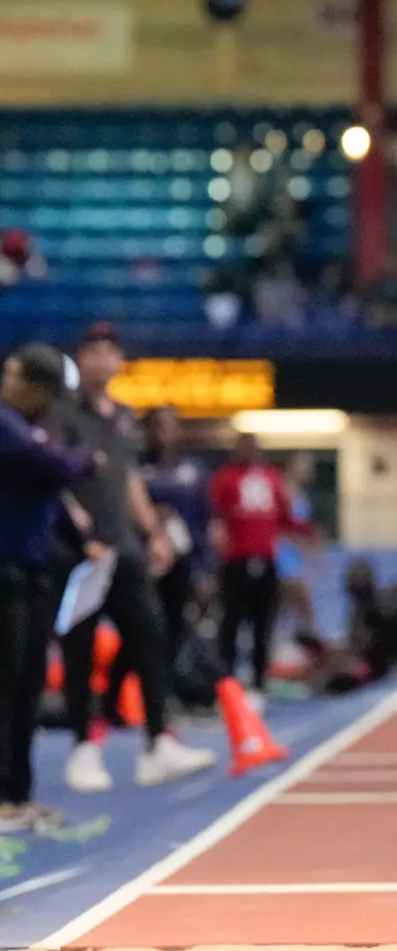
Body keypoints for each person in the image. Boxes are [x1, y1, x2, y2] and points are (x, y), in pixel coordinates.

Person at [50, 323, 217, 792]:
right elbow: (55, 477)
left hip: (122, 548)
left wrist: (154, 532)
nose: (103, 360)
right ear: (80, 359)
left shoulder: (124, 418)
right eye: (94, 351)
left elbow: (128, 483)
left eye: (110, 351)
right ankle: (84, 746)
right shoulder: (62, 414)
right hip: (79, 551)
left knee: (151, 634)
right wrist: (78, 523)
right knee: (79, 647)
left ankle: (157, 741)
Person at [0, 344, 101, 830]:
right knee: (7, 682)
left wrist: (84, 540)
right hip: (6, 570)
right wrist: (88, 456)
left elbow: (53, 491)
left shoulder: (33, 431)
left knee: (28, 683)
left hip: (33, 571)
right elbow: (61, 469)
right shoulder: (7, 426)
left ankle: (18, 794)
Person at [103, 405, 212, 719]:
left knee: (174, 632)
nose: (164, 434)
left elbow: (204, 523)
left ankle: (162, 701)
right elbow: (122, 509)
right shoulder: (136, 469)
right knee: (139, 632)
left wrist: (205, 570)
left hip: (182, 563)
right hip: (143, 562)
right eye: (157, 427)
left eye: (170, 427)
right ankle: (113, 700)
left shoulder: (193, 471)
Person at [210, 433, 318, 709]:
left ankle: (258, 684)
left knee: (263, 625)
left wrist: (308, 533)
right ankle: (227, 685)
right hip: (235, 561)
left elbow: (284, 517)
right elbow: (215, 515)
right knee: (230, 625)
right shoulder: (225, 479)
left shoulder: (271, 479)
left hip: (265, 560)